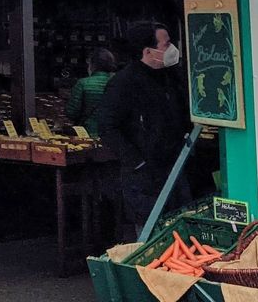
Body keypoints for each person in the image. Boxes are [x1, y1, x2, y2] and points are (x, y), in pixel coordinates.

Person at [98, 26, 188, 236]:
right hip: (144, 175)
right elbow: (107, 126)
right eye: (166, 44)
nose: (172, 48)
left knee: (181, 228)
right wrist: (136, 161)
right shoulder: (123, 83)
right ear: (147, 51)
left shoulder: (171, 77)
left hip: (174, 166)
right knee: (150, 235)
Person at [66, 48, 118, 137]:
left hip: (87, 133)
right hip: (113, 134)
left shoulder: (83, 83)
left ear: (92, 65)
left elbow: (72, 112)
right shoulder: (119, 83)